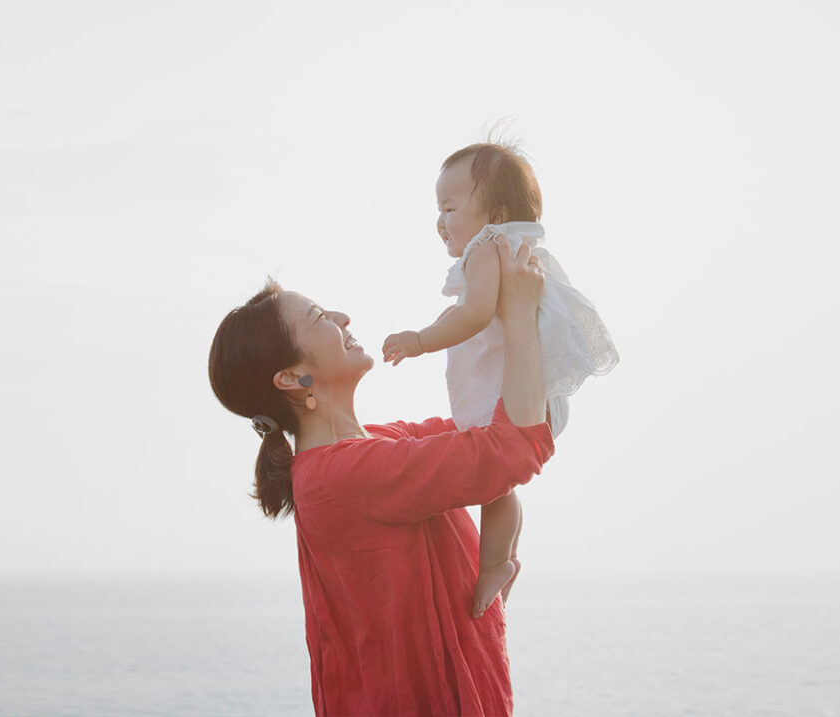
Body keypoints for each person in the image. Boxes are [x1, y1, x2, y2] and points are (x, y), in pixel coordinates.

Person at [207, 239, 554, 716]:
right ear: (292, 377)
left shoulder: (380, 444)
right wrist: (517, 314)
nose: (343, 318)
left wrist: (495, 302)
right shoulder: (342, 476)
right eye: (320, 318)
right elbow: (513, 447)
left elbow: (494, 421)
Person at [380, 141, 619, 617]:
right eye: (438, 209)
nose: (440, 220)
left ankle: (497, 561)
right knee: (498, 484)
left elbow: (473, 313)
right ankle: (500, 561)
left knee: (497, 482)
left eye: (449, 207)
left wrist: (421, 339)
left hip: (511, 397)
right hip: (535, 396)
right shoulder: (515, 248)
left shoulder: (487, 247)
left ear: (497, 213)